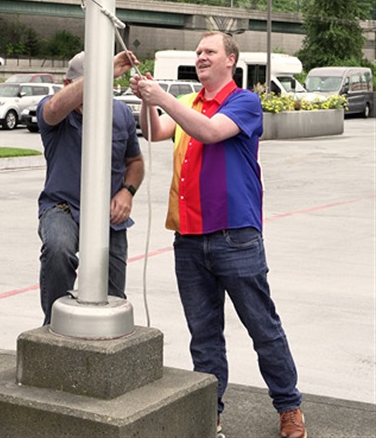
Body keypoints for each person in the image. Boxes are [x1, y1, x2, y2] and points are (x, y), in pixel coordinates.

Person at [131, 31, 306, 438]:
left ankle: (289, 406)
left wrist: (163, 99)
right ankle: (210, 412)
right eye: (198, 52)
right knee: (204, 335)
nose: (201, 56)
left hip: (235, 235)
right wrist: (145, 99)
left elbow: (209, 132)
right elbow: (155, 132)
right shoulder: (189, 103)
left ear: (231, 60)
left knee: (262, 327)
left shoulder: (243, 101)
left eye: (209, 51)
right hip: (189, 237)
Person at [36, 51, 144, 324]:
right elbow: (54, 109)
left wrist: (127, 192)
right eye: (85, 91)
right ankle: (53, 327)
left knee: (111, 295)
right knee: (58, 250)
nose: (93, 100)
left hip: (109, 213)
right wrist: (102, 71)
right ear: (66, 84)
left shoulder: (119, 113)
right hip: (62, 207)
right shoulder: (53, 112)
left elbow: (135, 162)